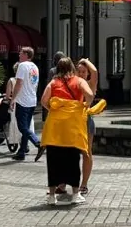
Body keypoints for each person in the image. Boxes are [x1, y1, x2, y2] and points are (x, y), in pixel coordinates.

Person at [39, 56, 105, 204]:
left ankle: (51, 196)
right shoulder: (79, 81)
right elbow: (89, 96)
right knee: (73, 159)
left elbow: (43, 100)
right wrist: (83, 107)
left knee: (54, 159)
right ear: (72, 69)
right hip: (73, 127)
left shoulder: (53, 82)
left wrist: (54, 109)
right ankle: (76, 194)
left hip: (55, 128)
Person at [8, 45, 41, 161]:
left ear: (26, 55)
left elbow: (19, 83)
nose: (19, 54)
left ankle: (38, 143)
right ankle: (21, 152)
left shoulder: (22, 66)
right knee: (26, 126)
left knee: (22, 127)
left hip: (23, 101)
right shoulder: (35, 67)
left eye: (21, 53)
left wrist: (13, 99)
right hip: (32, 100)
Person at [75, 57, 100, 200]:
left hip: (86, 120)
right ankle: (65, 183)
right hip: (73, 121)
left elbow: (95, 71)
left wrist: (84, 60)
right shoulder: (74, 84)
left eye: (84, 71)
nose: (81, 74)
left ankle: (83, 184)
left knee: (86, 152)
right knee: (71, 152)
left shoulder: (91, 84)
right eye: (78, 71)